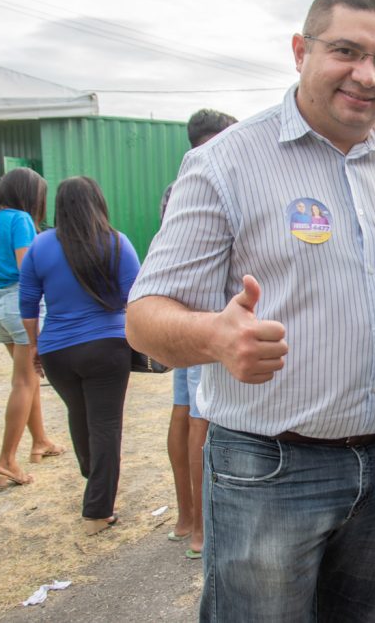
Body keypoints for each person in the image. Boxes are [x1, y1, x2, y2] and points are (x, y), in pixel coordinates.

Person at [126, 0, 375, 621]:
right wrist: (215, 338)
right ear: (300, 50)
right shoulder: (226, 163)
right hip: (270, 466)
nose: (365, 74)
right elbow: (144, 315)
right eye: (346, 50)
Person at [18, 177, 140, 535]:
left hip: (57, 349)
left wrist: (34, 345)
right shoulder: (116, 242)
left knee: (79, 414)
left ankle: (95, 479)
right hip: (106, 346)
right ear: (98, 203)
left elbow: (27, 303)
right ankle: (98, 510)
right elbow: (135, 297)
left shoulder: (40, 246)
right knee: (105, 425)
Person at [162, 108, 237, 559]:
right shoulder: (205, 179)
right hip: (207, 324)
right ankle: (200, 530)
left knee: (183, 410)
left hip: (183, 322)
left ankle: (186, 516)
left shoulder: (175, 186)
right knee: (199, 420)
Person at [0, 168, 64, 488]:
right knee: (24, 381)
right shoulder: (20, 220)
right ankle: (6, 460)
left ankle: (40, 441)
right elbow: (28, 269)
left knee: (28, 377)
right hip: (18, 303)